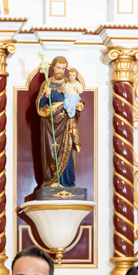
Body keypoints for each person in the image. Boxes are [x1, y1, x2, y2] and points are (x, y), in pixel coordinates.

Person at [37, 57, 86, 188]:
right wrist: (46, 95)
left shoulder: (68, 83)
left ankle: (68, 182)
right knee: (51, 151)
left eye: (63, 68)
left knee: (67, 151)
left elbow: (78, 100)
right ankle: (52, 180)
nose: (60, 71)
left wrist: (78, 104)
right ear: (53, 68)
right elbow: (40, 105)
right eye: (58, 68)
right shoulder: (47, 84)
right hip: (50, 124)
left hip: (66, 123)